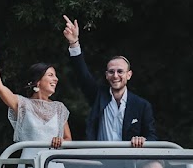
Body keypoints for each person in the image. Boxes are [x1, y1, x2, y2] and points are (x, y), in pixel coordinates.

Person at [62, 15, 156, 145]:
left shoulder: (142, 105)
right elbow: (82, 75)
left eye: (120, 71)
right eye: (111, 72)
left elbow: (152, 136)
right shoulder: (98, 96)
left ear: (129, 75)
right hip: (101, 161)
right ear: (106, 75)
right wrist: (74, 43)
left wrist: (142, 139)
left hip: (129, 162)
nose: (115, 75)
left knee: (154, 166)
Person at [0, 37, 72, 146]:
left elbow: (68, 139)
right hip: (29, 162)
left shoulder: (59, 108)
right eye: (50, 75)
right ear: (37, 81)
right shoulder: (22, 104)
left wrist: (61, 141)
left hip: (52, 161)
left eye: (55, 76)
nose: (56, 79)